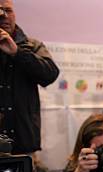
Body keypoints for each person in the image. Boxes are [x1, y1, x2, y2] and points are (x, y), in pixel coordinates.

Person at [0, 0, 59, 154]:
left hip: (23, 142)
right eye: (0, 12)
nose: (4, 16)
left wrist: (17, 53)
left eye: (8, 10)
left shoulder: (32, 45)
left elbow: (51, 74)